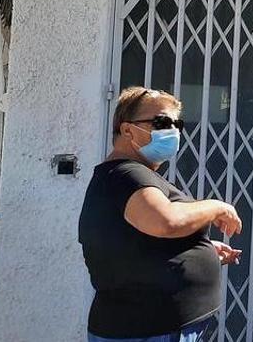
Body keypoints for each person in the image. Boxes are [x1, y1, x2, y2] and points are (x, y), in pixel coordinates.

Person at [79, 87, 243, 342]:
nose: (173, 131)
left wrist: (198, 247)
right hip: (151, 329)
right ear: (127, 129)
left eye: (177, 124)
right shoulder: (126, 174)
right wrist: (217, 207)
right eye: (162, 122)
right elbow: (167, 222)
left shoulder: (122, 176)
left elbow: (129, 243)